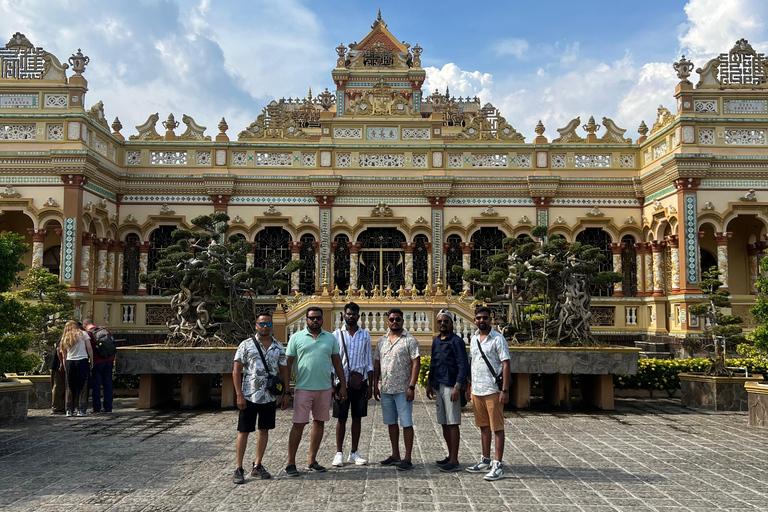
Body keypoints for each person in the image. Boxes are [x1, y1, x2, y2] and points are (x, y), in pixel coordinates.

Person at [285, 307, 346, 477]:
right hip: (303, 387)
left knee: (319, 422)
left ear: (322, 319)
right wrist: (286, 387)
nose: (315, 320)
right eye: (311, 318)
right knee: (298, 424)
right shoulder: (296, 338)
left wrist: (343, 385)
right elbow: (288, 363)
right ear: (306, 320)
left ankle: (312, 459)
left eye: (318, 318)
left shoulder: (330, 338)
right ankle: (291, 461)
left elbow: (337, 362)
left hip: (324, 387)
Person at [232, 312, 290, 484]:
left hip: (269, 395)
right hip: (249, 394)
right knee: (244, 431)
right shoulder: (246, 345)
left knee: (264, 430)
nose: (265, 327)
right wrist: (239, 395)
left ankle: (258, 464)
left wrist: (287, 393)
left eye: (268, 324)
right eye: (262, 324)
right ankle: (239, 467)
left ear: (272, 325)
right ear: (256, 325)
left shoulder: (278, 346)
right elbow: (236, 370)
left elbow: (284, 370)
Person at [465, 306, 511, 481]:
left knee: (497, 427)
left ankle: (497, 463)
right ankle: (485, 459)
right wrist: (469, 386)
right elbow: (473, 363)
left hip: (493, 389)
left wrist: (504, 389)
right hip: (477, 389)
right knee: (483, 426)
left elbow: (505, 364)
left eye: (484, 317)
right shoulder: (474, 338)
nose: (481, 320)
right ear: (474, 320)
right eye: (478, 318)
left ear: (490, 319)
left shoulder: (498, 339)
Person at [373, 307, 420, 471]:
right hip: (386, 388)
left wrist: (412, 386)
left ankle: (408, 457)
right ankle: (395, 454)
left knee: (406, 422)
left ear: (402, 321)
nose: (394, 322)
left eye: (397, 319)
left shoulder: (410, 340)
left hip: (403, 388)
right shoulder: (382, 341)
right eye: (392, 319)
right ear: (387, 321)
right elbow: (377, 363)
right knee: (391, 422)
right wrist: (375, 385)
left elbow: (416, 364)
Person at [425, 309, 469, 472]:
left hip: (451, 385)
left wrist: (458, 386)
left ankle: (455, 459)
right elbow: (433, 362)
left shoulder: (456, 341)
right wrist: (429, 382)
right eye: (440, 322)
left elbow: (463, 365)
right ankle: (450, 455)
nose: (442, 324)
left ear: (451, 323)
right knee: (443, 422)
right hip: (439, 384)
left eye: (445, 321)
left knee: (452, 422)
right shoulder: (436, 341)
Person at [331, 302, 373, 467]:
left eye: (354, 314)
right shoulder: (336, 335)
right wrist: (333, 385)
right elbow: (332, 362)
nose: (351, 316)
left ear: (358, 316)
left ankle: (354, 452)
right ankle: (339, 452)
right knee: (341, 418)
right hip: (341, 382)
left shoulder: (364, 335)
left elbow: (368, 361)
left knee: (357, 417)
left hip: (359, 382)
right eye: (348, 314)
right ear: (344, 315)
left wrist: (370, 385)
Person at [58, 320, 93, 417]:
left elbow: (63, 354)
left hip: (70, 361)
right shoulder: (84, 334)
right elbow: (89, 348)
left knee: (69, 386)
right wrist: (92, 360)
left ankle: (69, 409)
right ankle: (81, 409)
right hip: (82, 360)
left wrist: (65, 365)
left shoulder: (65, 337)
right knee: (83, 386)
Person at [84, 317, 114, 414]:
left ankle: (96, 408)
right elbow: (112, 342)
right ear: (93, 323)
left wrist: (91, 362)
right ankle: (108, 408)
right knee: (108, 384)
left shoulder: (88, 334)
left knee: (96, 385)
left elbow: (88, 348)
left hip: (97, 362)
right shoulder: (104, 329)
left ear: (85, 326)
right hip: (109, 360)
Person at [50, 335, 66, 414]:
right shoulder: (64, 337)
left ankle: (60, 405)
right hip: (57, 366)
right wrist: (62, 363)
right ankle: (57, 407)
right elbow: (59, 350)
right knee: (58, 386)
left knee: (60, 386)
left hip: (59, 364)